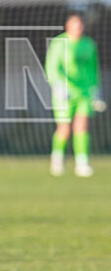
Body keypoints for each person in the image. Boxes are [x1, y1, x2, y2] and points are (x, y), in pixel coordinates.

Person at [46, 13, 104, 177]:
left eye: (80, 26)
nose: (79, 29)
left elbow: (94, 68)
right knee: (64, 128)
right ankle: (57, 158)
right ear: (68, 27)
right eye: (75, 26)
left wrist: (96, 90)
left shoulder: (89, 44)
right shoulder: (59, 43)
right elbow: (52, 67)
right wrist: (59, 86)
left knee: (82, 126)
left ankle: (82, 162)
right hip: (64, 92)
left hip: (84, 92)